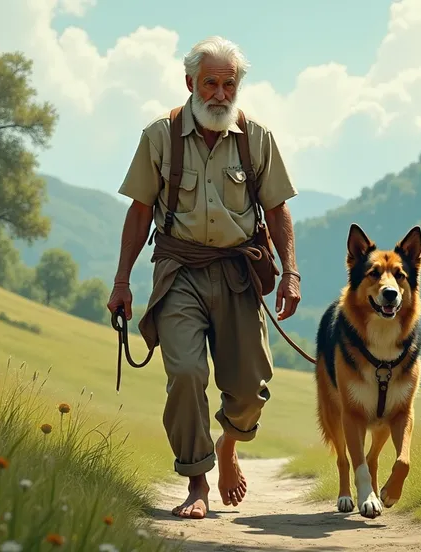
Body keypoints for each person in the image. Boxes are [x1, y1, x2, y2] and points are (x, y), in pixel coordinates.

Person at [106, 36, 301, 520]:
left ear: (238, 86)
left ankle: (229, 447)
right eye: (209, 82)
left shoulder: (257, 138)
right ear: (190, 82)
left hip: (239, 274)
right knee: (187, 374)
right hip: (178, 273)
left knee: (251, 390)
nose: (219, 92)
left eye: (228, 83)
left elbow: (277, 211)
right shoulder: (159, 136)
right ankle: (197, 481)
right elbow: (139, 210)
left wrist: (291, 273)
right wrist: (122, 282)